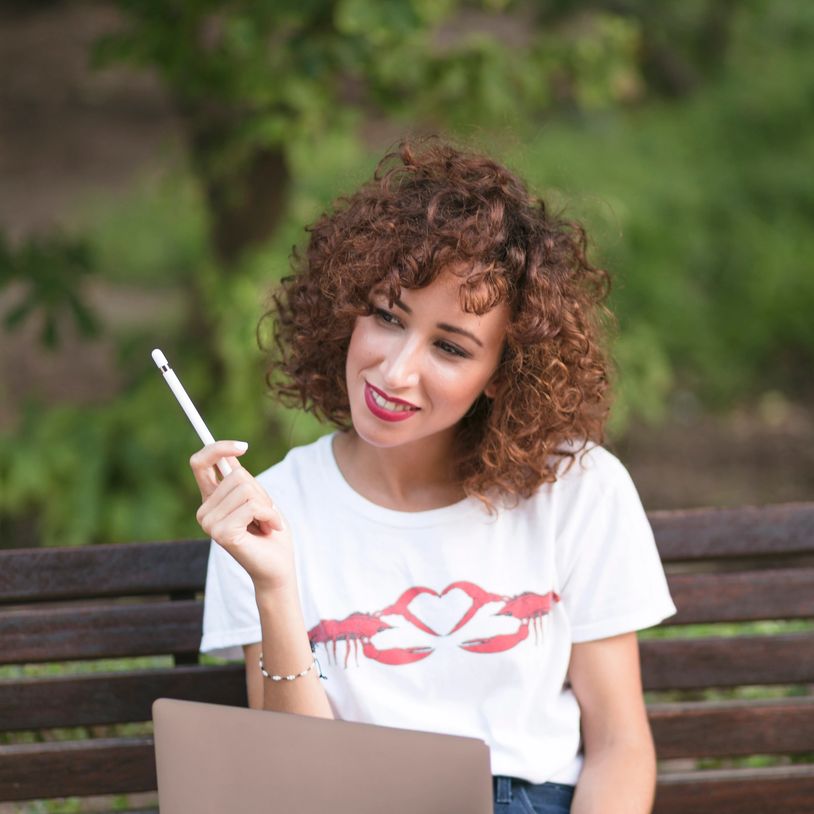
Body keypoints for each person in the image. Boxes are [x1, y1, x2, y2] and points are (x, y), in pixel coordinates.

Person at [192, 138, 676, 814]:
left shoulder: (577, 489)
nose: (395, 372)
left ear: (503, 374)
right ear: (345, 309)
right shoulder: (269, 511)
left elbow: (621, 746)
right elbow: (295, 786)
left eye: (450, 347)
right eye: (387, 317)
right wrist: (273, 586)